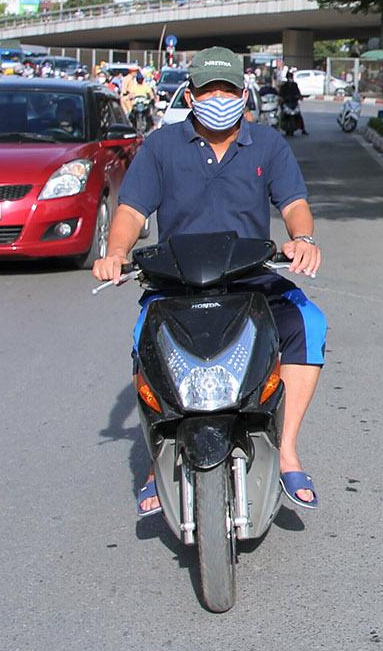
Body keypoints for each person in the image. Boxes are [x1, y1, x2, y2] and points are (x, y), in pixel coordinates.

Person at [93, 47, 327, 514]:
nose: (218, 98)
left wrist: (302, 239)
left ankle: (286, 451)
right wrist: (116, 253)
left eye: (227, 89)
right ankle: (158, 460)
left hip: (251, 278)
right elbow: (132, 211)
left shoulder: (267, 145)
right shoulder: (161, 147)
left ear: (242, 93)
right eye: (207, 90)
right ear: (190, 95)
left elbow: (294, 203)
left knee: (309, 322)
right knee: (145, 344)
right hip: (175, 283)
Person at [278, 69, 306, 135]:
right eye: (289, 77)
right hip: (286, 103)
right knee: (281, 115)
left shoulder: (295, 85)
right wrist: (282, 99)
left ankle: (303, 129)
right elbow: (280, 94)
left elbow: (298, 92)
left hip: (294, 103)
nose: (290, 79)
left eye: (291, 77)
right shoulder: (283, 86)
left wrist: (300, 97)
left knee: (299, 115)